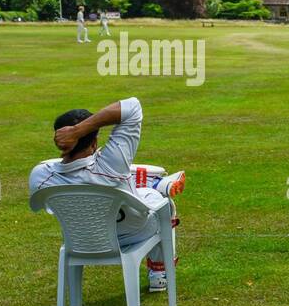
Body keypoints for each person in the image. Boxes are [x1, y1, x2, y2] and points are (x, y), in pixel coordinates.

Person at [29, 97, 187, 293]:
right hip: (135, 233)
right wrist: (78, 131)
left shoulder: (40, 175)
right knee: (163, 204)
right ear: (94, 143)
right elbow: (132, 106)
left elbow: (41, 201)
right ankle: (159, 275)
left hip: (81, 240)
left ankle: (150, 183)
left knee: (125, 181)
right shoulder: (111, 165)